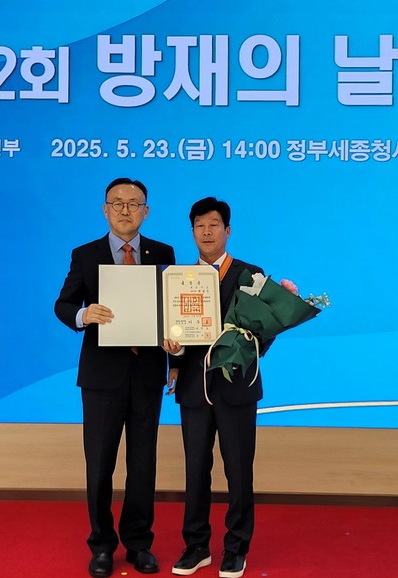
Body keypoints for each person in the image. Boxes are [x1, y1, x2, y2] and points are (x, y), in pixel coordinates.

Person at [54, 177, 175, 578]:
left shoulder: (163, 253)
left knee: (143, 464)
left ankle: (139, 543)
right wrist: (83, 314)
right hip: (101, 377)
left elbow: (171, 310)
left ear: (146, 211)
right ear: (105, 209)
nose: (125, 210)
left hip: (147, 373)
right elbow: (63, 303)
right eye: (117, 203)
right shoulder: (85, 254)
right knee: (100, 463)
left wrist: (176, 359)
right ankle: (102, 545)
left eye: (134, 203)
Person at [162, 197, 269, 578]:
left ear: (227, 230)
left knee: (238, 469)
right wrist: (173, 352)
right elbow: (173, 330)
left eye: (213, 225)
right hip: (194, 387)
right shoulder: (179, 278)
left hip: (237, 387)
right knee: (195, 469)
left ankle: (236, 547)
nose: (206, 232)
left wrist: (242, 347)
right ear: (192, 232)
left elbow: (265, 332)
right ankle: (196, 545)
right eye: (199, 226)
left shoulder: (251, 275)